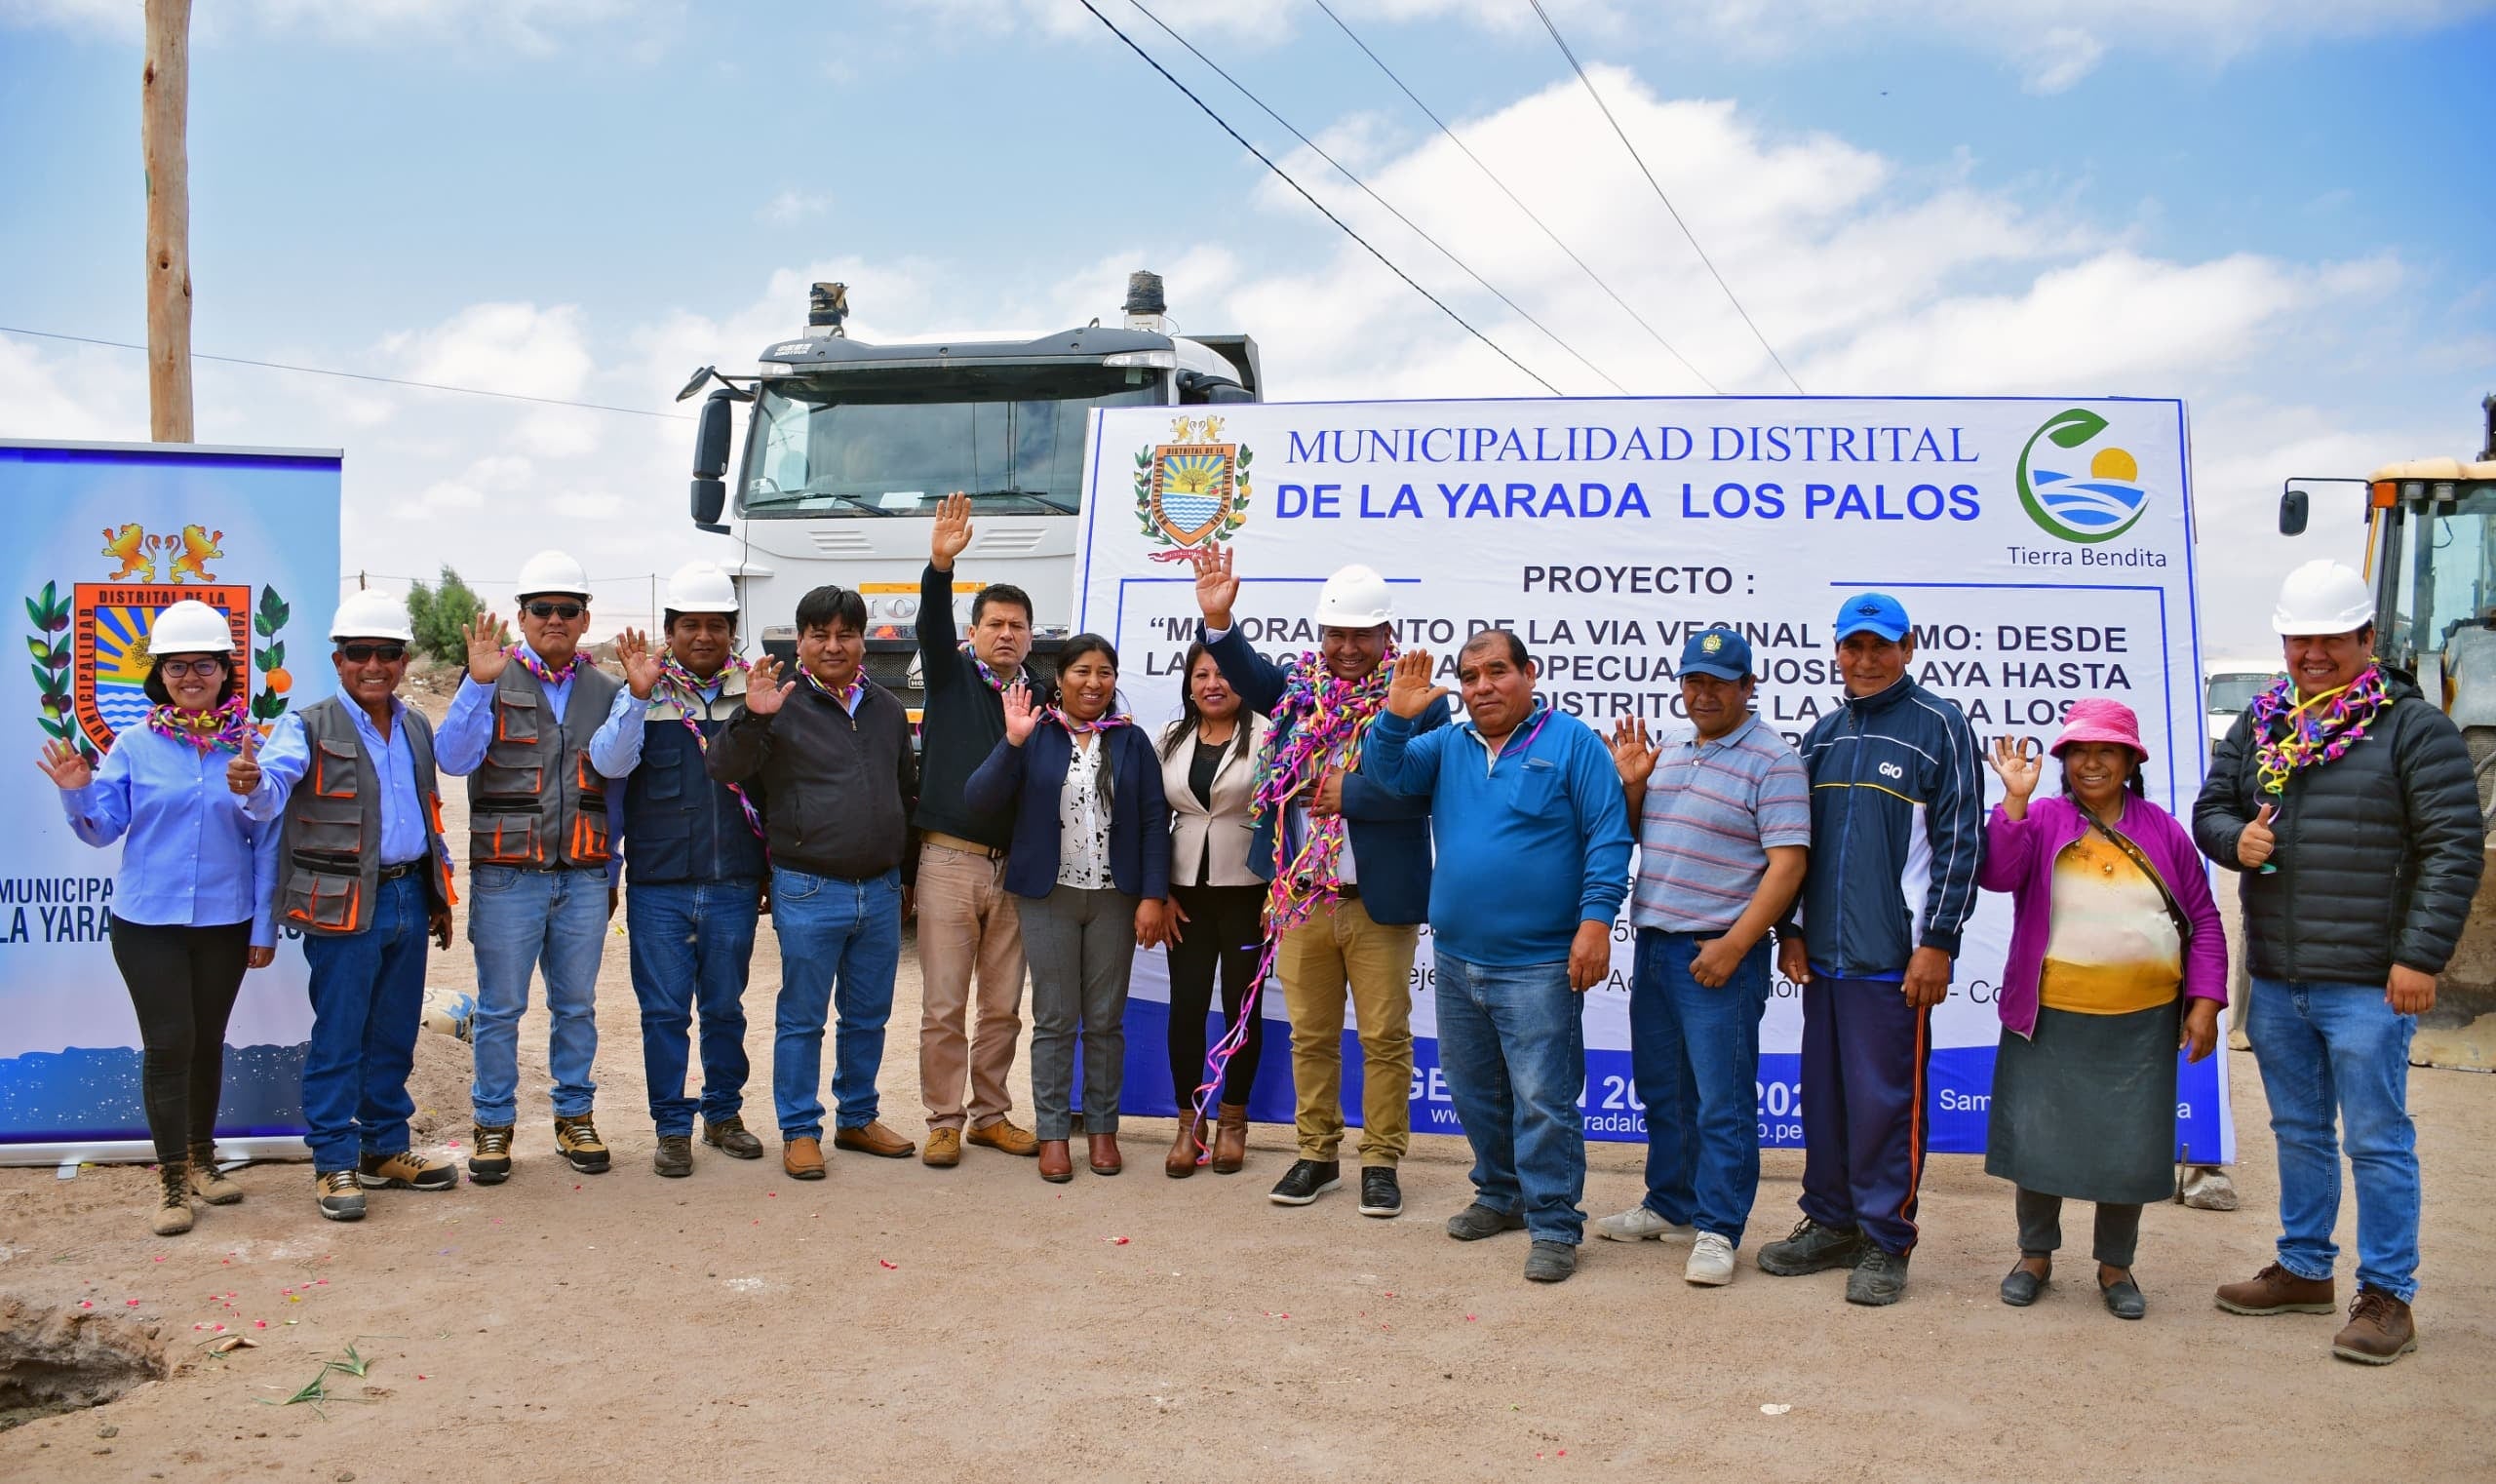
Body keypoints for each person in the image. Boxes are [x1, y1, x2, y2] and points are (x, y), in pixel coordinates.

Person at [2195, 559, 2483, 1364]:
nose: (2311, 654)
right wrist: (2234, 840)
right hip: (2281, 975)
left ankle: (2388, 1295)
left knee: (2378, 1139)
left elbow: (2453, 848)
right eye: (2298, 639)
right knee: (2298, 1130)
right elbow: (2212, 808)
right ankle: (2303, 1266)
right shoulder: (2261, 723)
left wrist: (2421, 958)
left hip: (2369, 979)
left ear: (2365, 638)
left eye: (2329, 638)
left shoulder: (2412, 727)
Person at [1364, 633, 1633, 1283]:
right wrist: (1396, 714)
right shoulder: (1448, 745)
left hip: (1540, 962)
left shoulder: (1571, 742)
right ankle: (1500, 1195)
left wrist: (1595, 924)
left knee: (1543, 1098)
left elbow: (1608, 836)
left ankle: (1554, 1224)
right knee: (1474, 1090)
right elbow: (1387, 776)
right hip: (1456, 959)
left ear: (1529, 674)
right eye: (1469, 676)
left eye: (1496, 672)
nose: (1481, 686)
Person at [1190, 548, 1445, 1219]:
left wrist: (1350, 793)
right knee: (1311, 1035)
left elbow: (1419, 791)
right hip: (1301, 899)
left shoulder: (1416, 703)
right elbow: (1248, 670)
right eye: (1337, 634)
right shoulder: (1297, 694)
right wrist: (1219, 620)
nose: (1349, 648)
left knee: (1386, 1036)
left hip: (1377, 903)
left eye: (1363, 635)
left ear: (1387, 636)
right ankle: (1317, 1154)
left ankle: (1382, 1162)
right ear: (1320, 635)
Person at [1757, 592, 1982, 1307]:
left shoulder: (1940, 727)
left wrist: (1938, 942)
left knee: (1888, 1103)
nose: (1866, 660)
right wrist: (1789, 929)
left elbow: (1961, 843)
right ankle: (1830, 1222)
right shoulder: (1822, 737)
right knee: (1826, 1101)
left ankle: (1887, 1239)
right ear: (1836, 651)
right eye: (1853, 647)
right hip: (1823, 958)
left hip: (1896, 958)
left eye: (1880, 646)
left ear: (1909, 647)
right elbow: (1793, 847)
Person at [1978, 700, 2226, 1319]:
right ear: (2063, 762)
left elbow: (2204, 921)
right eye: (2079, 752)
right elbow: (1996, 873)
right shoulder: (2040, 820)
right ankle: (2034, 1256)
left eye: (2106, 751)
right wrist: (2011, 802)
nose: (2091, 763)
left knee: (2129, 1147)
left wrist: (2205, 1001)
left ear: (2130, 761)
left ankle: (2116, 1266)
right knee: (2038, 1140)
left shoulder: (2164, 830)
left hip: (2141, 1022)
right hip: (2050, 1015)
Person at [41, 599, 278, 1235]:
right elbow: (103, 829)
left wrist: (262, 926)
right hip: (146, 923)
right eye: (177, 667)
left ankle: (204, 1159)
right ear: (160, 675)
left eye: (204, 664)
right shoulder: (134, 748)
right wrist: (76, 792)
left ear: (227, 670)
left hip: (225, 921)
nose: (191, 676)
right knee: (170, 1042)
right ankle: (172, 1182)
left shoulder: (251, 744)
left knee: (207, 1043)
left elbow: (267, 837)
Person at [230, 590, 458, 1222]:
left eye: (387, 652)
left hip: (409, 895)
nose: (374, 664)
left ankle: (383, 1149)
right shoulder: (305, 727)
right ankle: (334, 1161)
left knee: (392, 1033)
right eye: (360, 653)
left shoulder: (414, 726)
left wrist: (436, 895)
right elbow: (272, 792)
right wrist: (253, 784)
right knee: (339, 1037)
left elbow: (427, 813)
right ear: (339, 659)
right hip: (341, 906)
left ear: (404, 659)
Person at [1598, 627, 1809, 1287]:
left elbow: (1788, 865)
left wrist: (1737, 945)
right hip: (1658, 946)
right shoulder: (1673, 750)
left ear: (1749, 687)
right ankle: (1671, 1204)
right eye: (1693, 680)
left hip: (1719, 952)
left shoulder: (1773, 760)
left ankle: (1719, 1227)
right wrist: (1632, 787)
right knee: (1665, 1090)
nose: (1704, 692)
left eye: (1720, 681)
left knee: (1721, 1103)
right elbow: (1640, 837)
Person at [434, 551, 637, 1184]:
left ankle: (574, 1117)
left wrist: (610, 871)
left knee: (575, 1007)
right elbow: (455, 759)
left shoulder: (609, 690)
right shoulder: (491, 679)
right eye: (542, 609)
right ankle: (492, 1126)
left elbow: (617, 778)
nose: (555, 619)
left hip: (580, 874)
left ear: (584, 619)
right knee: (500, 1009)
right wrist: (476, 684)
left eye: (567, 609)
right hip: (507, 876)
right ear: (521, 616)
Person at [707, 585, 919, 1180]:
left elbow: (904, 791)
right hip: (807, 888)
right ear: (800, 640)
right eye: (819, 634)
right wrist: (752, 715)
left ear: (862, 641)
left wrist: (905, 875)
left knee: (868, 1015)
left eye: (845, 634)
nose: (833, 645)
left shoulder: (884, 707)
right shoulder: (780, 702)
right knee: (802, 1017)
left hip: (877, 891)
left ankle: (857, 1117)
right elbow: (723, 767)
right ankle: (800, 1129)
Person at [963, 636, 1172, 1182]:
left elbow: (1154, 822)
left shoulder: (1130, 741)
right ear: (1060, 678)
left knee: (1104, 1021)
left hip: (1115, 896)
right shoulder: (1036, 734)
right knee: (1055, 1021)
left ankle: (1103, 1131)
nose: (1094, 682)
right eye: (1082, 671)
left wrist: (1153, 894)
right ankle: (1054, 1133)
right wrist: (1011, 743)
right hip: (1048, 894)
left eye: (1105, 672)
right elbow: (979, 801)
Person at [594, 562, 771, 1177]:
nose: (703, 636)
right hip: (659, 888)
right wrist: (639, 696)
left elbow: (773, 787)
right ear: (668, 630)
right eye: (690, 625)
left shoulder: (754, 692)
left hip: (732, 884)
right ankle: (672, 1125)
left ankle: (723, 1116)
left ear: (732, 630)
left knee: (725, 1007)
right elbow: (611, 765)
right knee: (664, 1012)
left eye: (716, 625)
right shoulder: (640, 694)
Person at [914, 493, 1043, 1168]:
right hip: (950, 864)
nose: (1006, 635)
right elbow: (931, 627)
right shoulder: (950, 676)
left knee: (1002, 1006)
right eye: (994, 624)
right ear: (974, 632)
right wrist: (941, 565)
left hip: (1015, 871)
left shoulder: (1044, 699)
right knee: (943, 1005)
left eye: (1018, 626)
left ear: (1030, 634)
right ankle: (943, 1119)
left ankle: (991, 1116)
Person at [1155, 642, 1273, 1177]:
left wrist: (1280, 891)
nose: (1212, 683)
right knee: (1186, 1008)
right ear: (1189, 684)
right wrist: (1159, 891)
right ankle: (1189, 1122)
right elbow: (1151, 819)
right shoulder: (1169, 738)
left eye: (1223, 673)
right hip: (1185, 896)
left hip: (1249, 891)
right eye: (1201, 674)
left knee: (1239, 1011)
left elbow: (1286, 813)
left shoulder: (1269, 734)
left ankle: (1232, 1119)